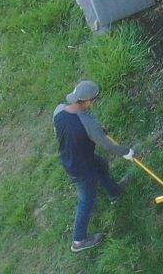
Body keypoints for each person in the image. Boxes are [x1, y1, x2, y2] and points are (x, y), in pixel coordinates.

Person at [55, 80, 132, 252]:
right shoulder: (86, 123)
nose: (95, 102)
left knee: (101, 165)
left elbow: (86, 131)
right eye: (94, 99)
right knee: (87, 199)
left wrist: (96, 131)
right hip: (81, 168)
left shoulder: (59, 111)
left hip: (72, 157)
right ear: (86, 101)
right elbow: (107, 145)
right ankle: (78, 241)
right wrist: (126, 152)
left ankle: (115, 193)